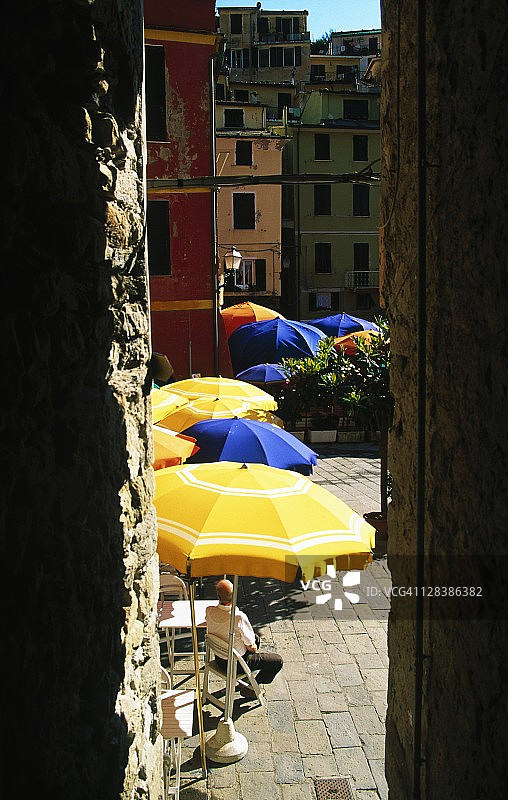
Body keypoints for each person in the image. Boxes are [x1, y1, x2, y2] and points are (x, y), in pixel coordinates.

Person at [205, 579, 283, 698]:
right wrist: (254, 650)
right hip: (236, 664)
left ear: (218, 596)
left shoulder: (209, 611)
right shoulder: (238, 617)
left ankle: (248, 676)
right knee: (276, 661)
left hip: (219, 659)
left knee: (255, 637)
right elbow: (251, 647)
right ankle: (252, 687)